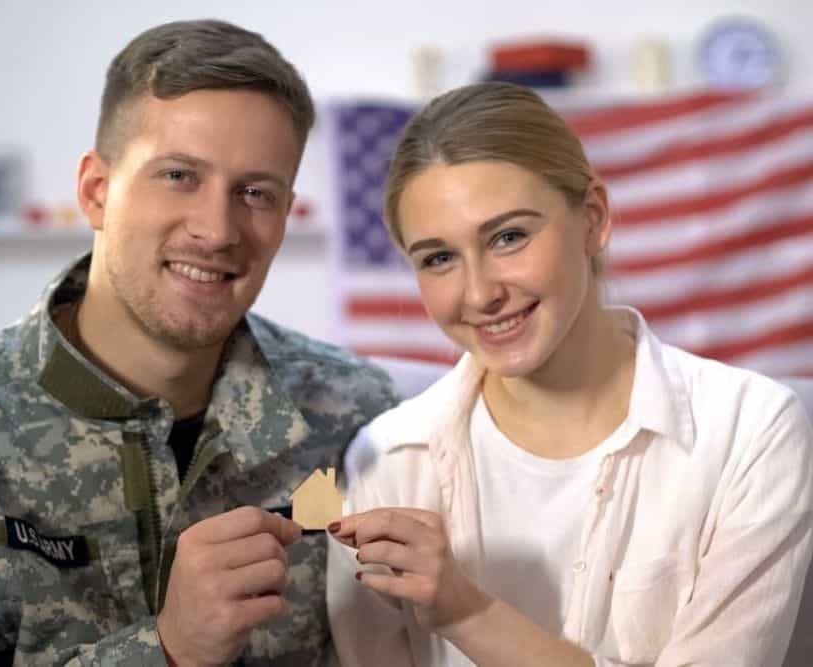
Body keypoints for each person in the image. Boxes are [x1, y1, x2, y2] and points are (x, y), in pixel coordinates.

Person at [0, 19, 398, 666]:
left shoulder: (357, 417)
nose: (216, 228)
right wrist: (166, 649)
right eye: (178, 175)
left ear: (285, 216)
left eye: (255, 193)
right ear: (96, 191)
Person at [326, 81, 813, 667]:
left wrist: (467, 614)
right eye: (439, 258)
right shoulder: (386, 459)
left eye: (509, 237)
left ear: (593, 219)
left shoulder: (751, 430)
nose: (480, 293)